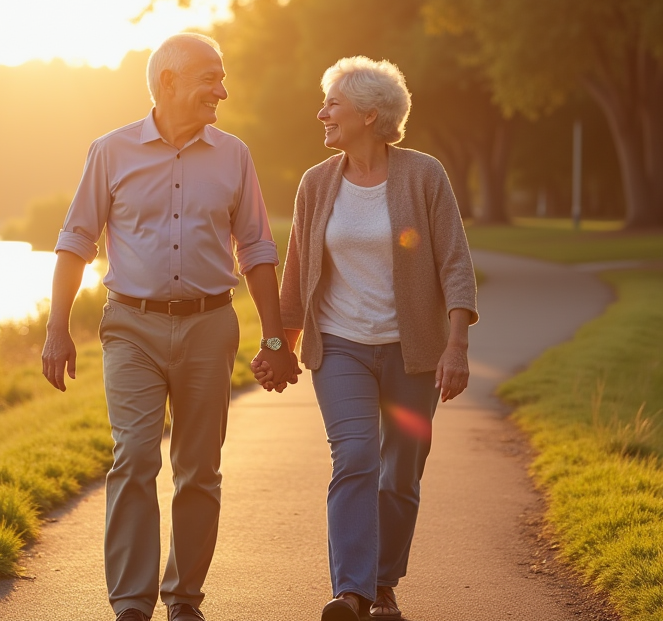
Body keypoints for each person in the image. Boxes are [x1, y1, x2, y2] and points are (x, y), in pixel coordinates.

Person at [42, 32, 298, 621]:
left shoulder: (235, 155)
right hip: (131, 326)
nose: (223, 90)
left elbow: (257, 247)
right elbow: (75, 240)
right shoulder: (110, 151)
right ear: (170, 82)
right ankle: (131, 604)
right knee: (134, 456)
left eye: (222, 77)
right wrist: (57, 329)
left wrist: (277, 336)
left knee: (199, 469)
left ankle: (184, 598)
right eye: (212, 77)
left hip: (210, 326)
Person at [253, 55, 478, 621]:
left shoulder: (423, 175)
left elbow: (454, 262)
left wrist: (457, 346)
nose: (321, 113)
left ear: (370, 115)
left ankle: (383, 583)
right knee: (354, 457)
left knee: (400, 470)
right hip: (341, 346)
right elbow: (298, 269)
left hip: (415, 351)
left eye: (333, 104)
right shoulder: (317, 183)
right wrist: (280, 343)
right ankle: (350, 591)